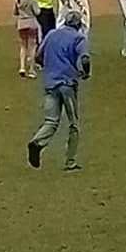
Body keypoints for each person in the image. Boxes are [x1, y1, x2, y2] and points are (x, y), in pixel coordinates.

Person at [27, 11, 90, 171]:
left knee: (51, 120)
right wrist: (85, 72)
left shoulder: (52, 34)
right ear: (78, 24)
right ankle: (70, 161)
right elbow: (85, 58)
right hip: (68, 84)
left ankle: (37, 142)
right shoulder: (79, 38)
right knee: (73, 124)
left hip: (50, 83)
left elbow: (39, 55)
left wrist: (48, 67)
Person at [14, 0, 40, 78]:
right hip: (31, 23)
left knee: (23, 46)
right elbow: (37, 12)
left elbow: (15, 12)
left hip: (21, 23)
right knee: (32, 47)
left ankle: (22, 67)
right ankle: (31, 70)